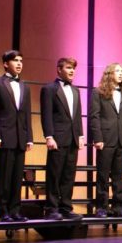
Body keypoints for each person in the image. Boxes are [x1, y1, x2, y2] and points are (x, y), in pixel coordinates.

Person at [0, 50, 33, 222]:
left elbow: (27, 113)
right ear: (6, 63)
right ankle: (3, 211)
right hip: (4, 137)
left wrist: (29, 137)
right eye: (15, 61)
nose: (19, 63)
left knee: (16, 177)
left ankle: (15, 210)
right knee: (4, 177)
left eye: (21, 60)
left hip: (20, 137)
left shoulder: (24, 86)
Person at [40, 57, 84, 221]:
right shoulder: (49, 89)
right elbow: (47, 115)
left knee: (68, 175)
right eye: (68, 68)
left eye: (73, 68)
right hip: (57, 138)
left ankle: (66, 207)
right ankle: (51, 208)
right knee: (54, 174)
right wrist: (49, 136)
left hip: (72, 138)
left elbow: (77, 116)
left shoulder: (75, 90)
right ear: (59, 70)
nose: (72, 71)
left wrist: (80, 135)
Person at [88, 63, 122, 218]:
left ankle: (119, 207)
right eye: (118, 71)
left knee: (119, 175)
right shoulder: (98, 92)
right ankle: (101, 207)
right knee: (102, 175)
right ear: (109, 73)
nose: (121, 74)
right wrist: (98, 138)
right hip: (106, 139)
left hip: (121, 139)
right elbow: (94, 117)